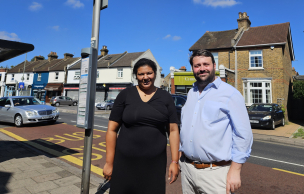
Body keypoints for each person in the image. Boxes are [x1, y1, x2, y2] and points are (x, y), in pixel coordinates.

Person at [179, 49, 253, 194]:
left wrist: (235, 170)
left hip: (215, 173)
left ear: (214, 65)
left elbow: (244, 135)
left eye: (206, 64)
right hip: (187, 170)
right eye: (197, 65)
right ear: (192, 68)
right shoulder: (191, 92)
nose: (202, 69)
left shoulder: (230, 93)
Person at [103, 58, 180, 193]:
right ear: (136, 75)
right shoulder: (125, 95)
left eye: (149, 73)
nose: (145, 77)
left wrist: (175, 162)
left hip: (154, 166)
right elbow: (111, 130)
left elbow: (173, 131)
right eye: (141, 74)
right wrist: (109, 163)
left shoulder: (165, 97)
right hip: (124, 163)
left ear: (155, 74)